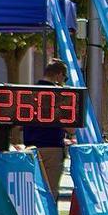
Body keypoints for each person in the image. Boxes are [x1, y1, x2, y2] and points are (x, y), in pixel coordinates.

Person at [24, 59, 71, 200]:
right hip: (52, 147)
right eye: (65, 77)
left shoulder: (29, 93)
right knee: (50, 193)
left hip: (30, 148)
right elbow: (71, 128)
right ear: (59, 75)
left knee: (32, 194)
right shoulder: (61, 96)